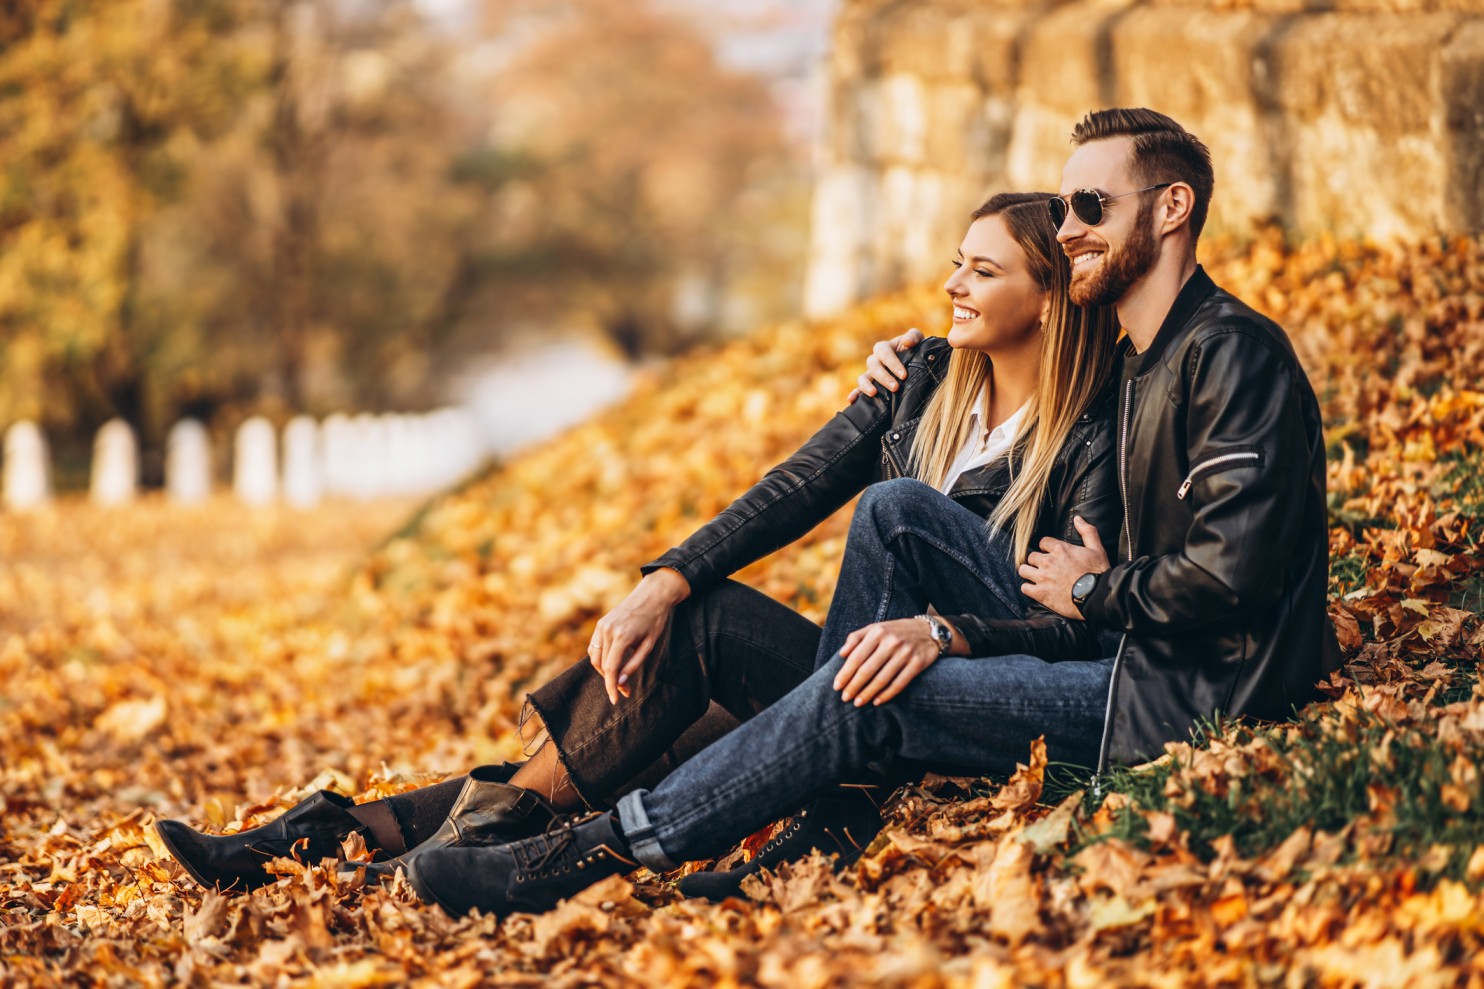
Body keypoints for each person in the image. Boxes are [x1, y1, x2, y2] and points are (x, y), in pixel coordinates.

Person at [395, 107, 1342, 920]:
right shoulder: (1134, 363)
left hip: (1181, 694)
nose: (1071, 227)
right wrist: (671, 573)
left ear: (1173, 209)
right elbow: (806, 484)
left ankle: (592, 855)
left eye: (1090, 207)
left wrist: (1084, 590)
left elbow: (1231, 575)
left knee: (872, 685)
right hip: (1126, 655)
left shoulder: (1229, 354)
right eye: (1061, 210)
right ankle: (506, 820)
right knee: (892, 513)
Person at [154, 191, 1122, 896]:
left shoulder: (1089, 432)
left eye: (981, 270)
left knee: (666, 731)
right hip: (845, 670)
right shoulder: (917, 379)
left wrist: (947, 632)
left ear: (1046, 297)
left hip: (932, 698)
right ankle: (351, 835)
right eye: (954, 259)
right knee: (683, 634)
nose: (950, 282)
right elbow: (791, 486)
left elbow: (1059, 616)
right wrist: (663, 577)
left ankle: (395, 846)